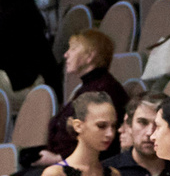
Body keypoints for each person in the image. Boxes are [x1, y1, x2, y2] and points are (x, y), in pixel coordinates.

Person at [46, 29, 126, 158]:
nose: (66, 54)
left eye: (73, 49)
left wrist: (56, 159)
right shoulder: (89, 87)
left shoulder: (103, 91)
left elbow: (96, 141)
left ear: (90, 56)